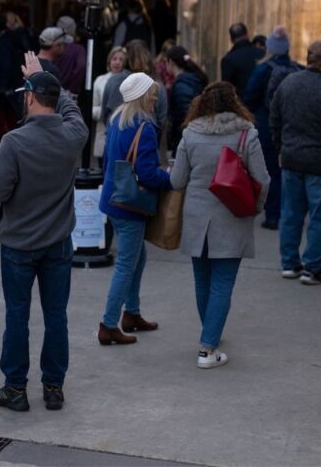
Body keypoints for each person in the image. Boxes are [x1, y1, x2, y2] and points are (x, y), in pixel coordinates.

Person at [0, 60, 88, 412]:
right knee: (56, 315)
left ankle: (15, 388)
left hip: (18, 243)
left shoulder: (14, 142)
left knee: (17, 315)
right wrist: (46, 81)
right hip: (57, 242)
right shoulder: (73, 135)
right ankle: (53, 387)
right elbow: (70, 106)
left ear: (29, 99)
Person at [170, 82, 270, 368]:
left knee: (203, 282)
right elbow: (262, 180)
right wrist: (256, 207)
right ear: (234, 103)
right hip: (232, 217)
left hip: (196, 217)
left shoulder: (190, 134)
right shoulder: (247, 134)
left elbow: (177, 181)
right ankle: (207, 348)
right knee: (222, 284)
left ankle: (209, 333)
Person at [270, 39, 321, 284]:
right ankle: (313, 267)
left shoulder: (288, 84)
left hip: (292, 159)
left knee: (291, 213)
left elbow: (275, 120)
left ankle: (289, 263)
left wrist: (280, 147)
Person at [97, 73, 172, 345]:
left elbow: (107, 161)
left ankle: (132, 313)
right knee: (127, 264)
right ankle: (108, 324)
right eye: (152, 92)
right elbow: (148, 174)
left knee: (137, 257)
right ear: (142, 95)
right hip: (130, 205)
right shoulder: (145, 127)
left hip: (113, 199)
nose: (156, 96)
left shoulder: (117, 119)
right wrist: (170, 178)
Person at [243, 26, 304, 230]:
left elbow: (249, 98)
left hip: (267, 127)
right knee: (291, 173)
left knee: (271, 172)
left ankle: (272, 216)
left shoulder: (263, 69)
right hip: (293, 128)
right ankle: (291, 215)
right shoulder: (298, 69)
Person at [100, 39, 168, 134]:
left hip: (116, 138)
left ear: (127, 57)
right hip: (145, 137)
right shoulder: (156, 84)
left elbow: (104, 114)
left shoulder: (113, 80)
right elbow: (162, 118)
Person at [166, 46, 209, 151]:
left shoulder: (183, 84)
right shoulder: (194, 79)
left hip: (185, 139)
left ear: (171, 62)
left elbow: (185, 115)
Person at [93, 46, 126, 164]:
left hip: (121, 130)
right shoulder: (99, 80)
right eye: (114, 58)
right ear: (109, 61)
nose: (117, 62)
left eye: (121, 60)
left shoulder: (127, 80)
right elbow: (93, 107)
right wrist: (103, 111)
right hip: (103, 129)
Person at [220, 23, 264, 99]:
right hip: (261, 107)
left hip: (240, 107)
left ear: (231, 40)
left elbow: (226, 92)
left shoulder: (228, 60)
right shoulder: (262, 54)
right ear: (247, 35)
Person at [54, 16, 87, 94]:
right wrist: (73, 88)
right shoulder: (78, 49)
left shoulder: (52, 46)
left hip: (50, 92)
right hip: (67, 93)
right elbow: (81, 67)